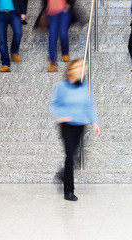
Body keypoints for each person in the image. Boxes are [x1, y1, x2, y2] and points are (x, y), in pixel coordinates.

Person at [50, 59, 100, 201]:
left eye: (84, 67)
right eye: (79, 66)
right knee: (70, 155)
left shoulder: (86, 86)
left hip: (80, 125)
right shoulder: (61, 86)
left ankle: (64, 175)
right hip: (67, 125)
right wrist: (60, 116)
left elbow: (88, 106)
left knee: (74, 157)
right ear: (71, 69)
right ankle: (69, 191)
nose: (83, 69)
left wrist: (94, 122)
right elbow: (54, 104)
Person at [35, 0, 76, 72]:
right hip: (52, 14)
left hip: (64, 12)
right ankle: (52, 63)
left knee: (63, 33)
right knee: (52, 38)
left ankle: (65, 52)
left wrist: (69, 4)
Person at [0, 0, 27, 72]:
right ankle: (5, 64)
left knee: (18, 33)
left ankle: (14, 51)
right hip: (1, 14)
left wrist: (23, 12)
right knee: (2, 40)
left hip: (14, 13)